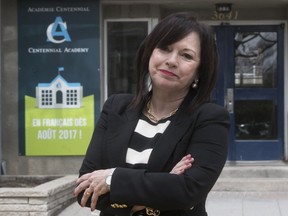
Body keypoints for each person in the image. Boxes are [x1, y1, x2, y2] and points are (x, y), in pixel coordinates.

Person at [73, 12, 230, 216]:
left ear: (199, 71)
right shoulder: (115, 108)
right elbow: (84, 190)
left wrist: (112, 178)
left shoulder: (210, 119)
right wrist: (164, 185)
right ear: (150, 53)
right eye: (165, 48)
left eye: (186, 55)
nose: (172, 61)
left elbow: (188, 192)